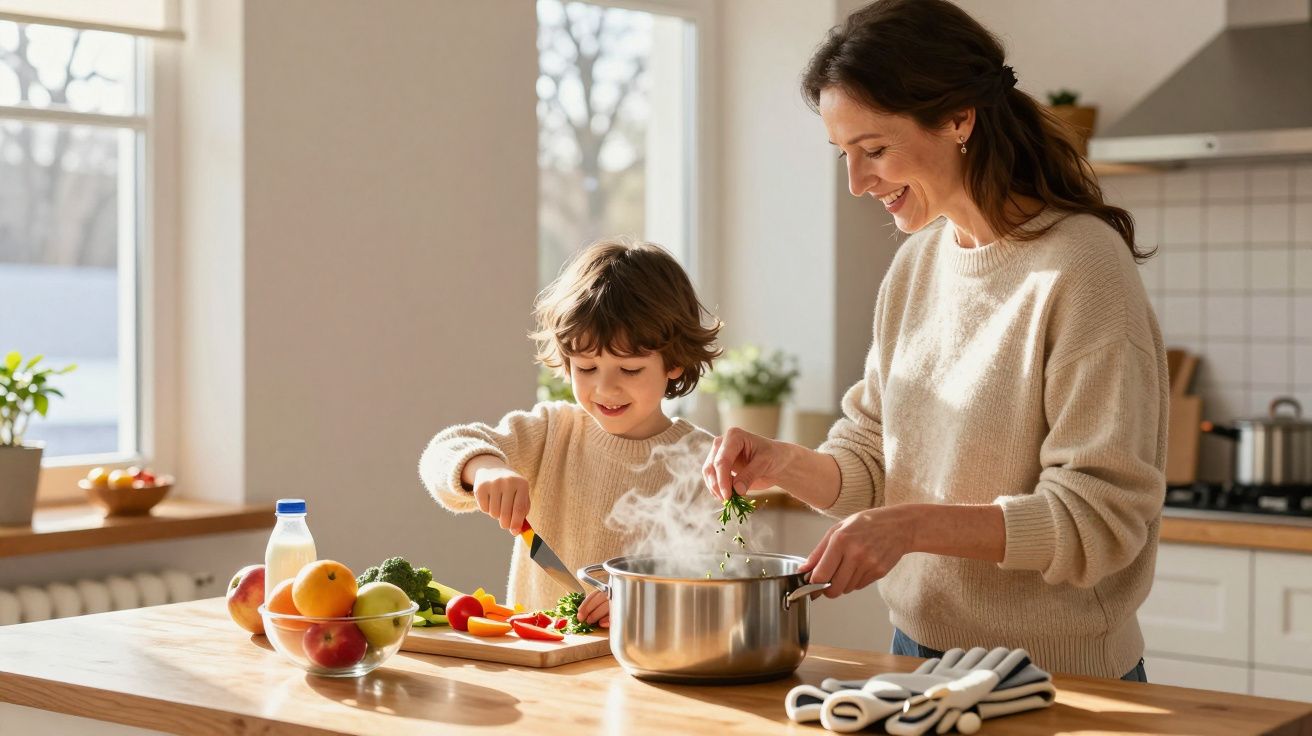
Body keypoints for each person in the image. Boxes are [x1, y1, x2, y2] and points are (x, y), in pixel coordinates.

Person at [703, 0, 1166, 681]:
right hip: (915, 658)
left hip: (1057, 679)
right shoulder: (917, 266)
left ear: (958, 119)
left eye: (876, 150)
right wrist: (780, 463)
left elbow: (1100, 519)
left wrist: (911, 527)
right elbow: (870, 463)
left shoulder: (1082, 268)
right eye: (844, 156)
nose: (859, 184)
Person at [420, 237, 721, 624]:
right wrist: (484, 467)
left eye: (629, 370)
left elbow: (715, 588)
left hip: (646, 668)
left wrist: (647, 605)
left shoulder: (704, 462)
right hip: (541, 662)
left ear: (675, 362)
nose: (605, 388)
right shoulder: (553, 432)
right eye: (586, 367)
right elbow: (443, 451)